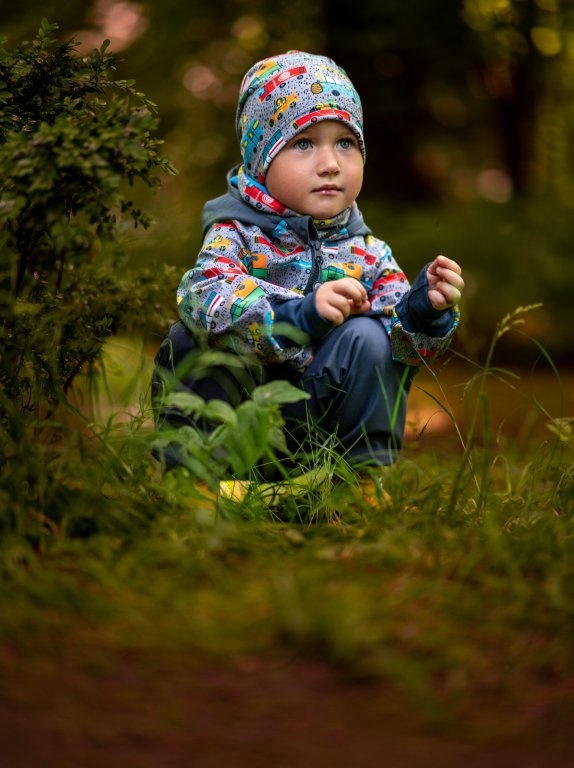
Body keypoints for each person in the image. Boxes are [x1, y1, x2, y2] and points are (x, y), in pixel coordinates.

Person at [153, 50, 464, 485]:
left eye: (345, 142)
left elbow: (404, 349)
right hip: (241, 423)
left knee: (368, 336)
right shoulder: (237, 234)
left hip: (318, 432)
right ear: (261, 158)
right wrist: (302, 316)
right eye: (303, 143)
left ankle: (358, 480)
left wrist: (423, 311)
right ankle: (198, 480)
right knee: (187, 340)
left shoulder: (367, 252)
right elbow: (204, 296)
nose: (331, 163)